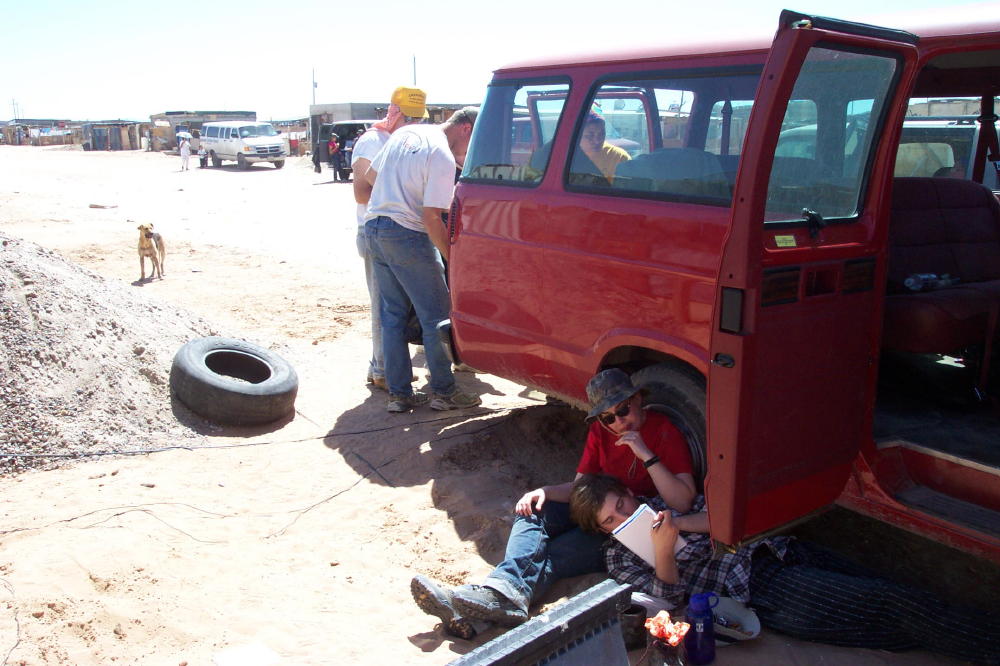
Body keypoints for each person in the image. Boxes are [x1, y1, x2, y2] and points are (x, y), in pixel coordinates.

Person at [569, 474, 1000, 665]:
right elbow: (673, 604)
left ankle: (971, 638)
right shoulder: (620, 557)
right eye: (610, 520)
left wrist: (677, 524)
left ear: (628, 492)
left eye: (622, 504)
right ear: (602, 531)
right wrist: (663, 550)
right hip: (761, 587)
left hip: (778, 549)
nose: (623, 517)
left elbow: (729, 520)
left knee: (888, 594)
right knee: (895, 604)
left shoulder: (665, 505)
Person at [409, 368, 696, 638]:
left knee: (551, 557)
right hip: (594, 508)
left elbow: (682, 502)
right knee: (534, 509)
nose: (618, 422)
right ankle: (496, 595)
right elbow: (581, 488)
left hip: (621, 528)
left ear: (637, 399)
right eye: (608, 417)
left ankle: (476, 612)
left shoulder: (663, 430)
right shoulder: (601, 432)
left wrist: (646, 454)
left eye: (623, 410)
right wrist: (543, 491)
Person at [364, 103, 483, 413]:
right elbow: (431, 218)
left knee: (393, 316)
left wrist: (398, 194)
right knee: (437, 316)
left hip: (374, 228)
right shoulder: (441, 155)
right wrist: (452, 261)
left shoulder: (407, 133)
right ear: (466, 129)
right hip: (406, 234)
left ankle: (399, 395)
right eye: (475, 141)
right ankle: (444, 391)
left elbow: (370, 174)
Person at [352, 87, 427, 392]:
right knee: (385, 305)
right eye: (407, 116)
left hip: (402, 230)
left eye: (417, 118)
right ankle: (382, 368)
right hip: (377, 232)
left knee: (397, 306)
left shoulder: (407, 142)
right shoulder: (373, 140)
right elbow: (360, 191)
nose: (412, 123)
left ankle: (386, 366)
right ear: (394, 112)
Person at [570, 111, 630, 184]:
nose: (597, 141)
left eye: (601, 134)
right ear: (577, 137)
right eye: (589, 136)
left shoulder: (618, 157)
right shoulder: (567, 156)